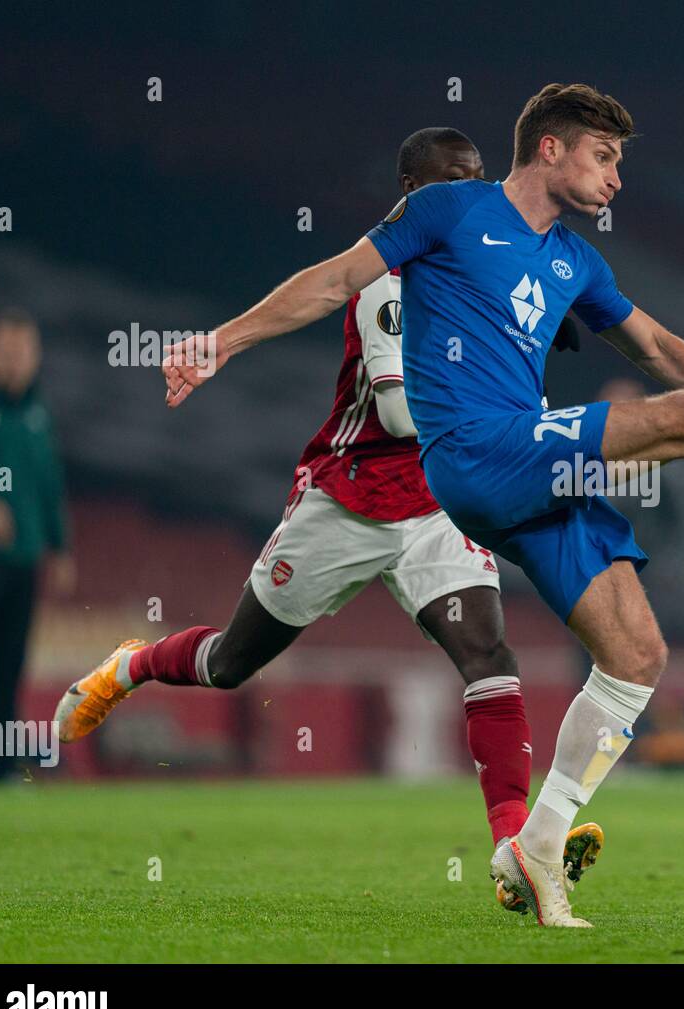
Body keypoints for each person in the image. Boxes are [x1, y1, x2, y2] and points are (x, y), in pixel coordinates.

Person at [161, 84, 684, 927]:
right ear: (550, 148)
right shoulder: (447, 210)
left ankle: (538, 849)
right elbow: (333, 280)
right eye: (604, 156)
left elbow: (653, 345)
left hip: (518, 476)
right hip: (472, 450)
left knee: (636, 652)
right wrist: (219, 343)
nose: (617, 177)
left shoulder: (575, 262)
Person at [56, 128, 602, 893]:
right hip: (347, 502)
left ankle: (516, 850)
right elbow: (403, 413)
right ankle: (132, 664)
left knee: (489, 655)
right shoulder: (387, 279)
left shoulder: (486, 268)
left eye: (477, 183)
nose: (467, 198)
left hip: (434, 506)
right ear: (411, 191)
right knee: (230, 664)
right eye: (450, 183)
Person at [0, 309, 75, 781]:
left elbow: (49, 485)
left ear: (35, 357)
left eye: (23, 353)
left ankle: (2, 770)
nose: (14, 362)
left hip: (23, 563)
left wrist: (60, 547)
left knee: (10, 671)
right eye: (6, 352)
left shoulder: (38, 414)